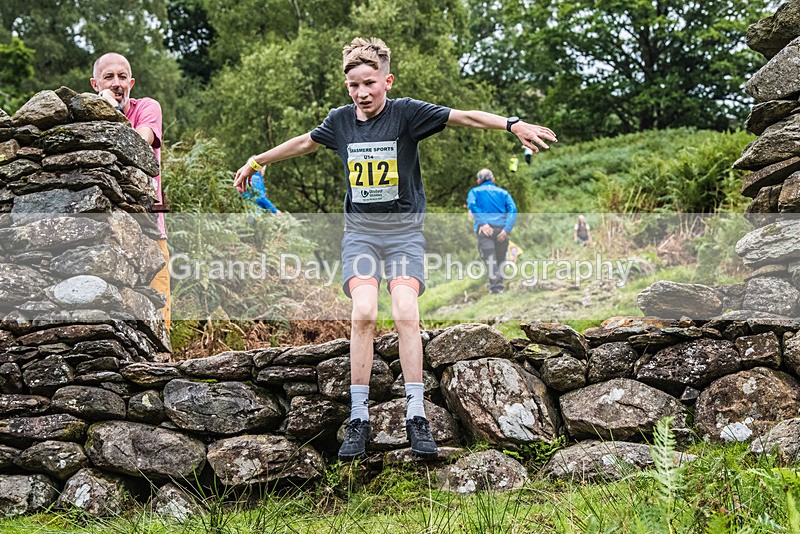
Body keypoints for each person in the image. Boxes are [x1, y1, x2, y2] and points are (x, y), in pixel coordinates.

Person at [233, 37, 556, 460]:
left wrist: (512, 124)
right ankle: (359, 418)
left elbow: (465, 117)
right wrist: (258, 161)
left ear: (386, 81)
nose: (362, 93)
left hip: (403, 234)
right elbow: (304, 143)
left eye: (369, 84)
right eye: (353, 86)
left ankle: (416, 414)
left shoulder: (406, 114)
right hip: (361, 235)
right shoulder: (341, 121)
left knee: (405, 312)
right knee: (364, 313)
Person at [90, 52, 170, 329]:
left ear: (131, 83)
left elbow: (140, 141)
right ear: (94, 84)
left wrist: (113, 113)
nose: (116, 83)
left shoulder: (147, 107)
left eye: (122, 77)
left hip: (150, 229)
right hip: (100, 230)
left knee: (158, 310)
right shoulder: (84, 117)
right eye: (108, 77)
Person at [467, 169, 518, 294]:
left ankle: (496, 289)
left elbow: (472, 206)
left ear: (478, 181)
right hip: (501, 230)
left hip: (484, 231)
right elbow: (513, 209)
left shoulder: (474, 192)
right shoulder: (504, 193)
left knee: (490, 259)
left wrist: (483, 223)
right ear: (493, 180)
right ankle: (499, 285)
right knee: (500, 259)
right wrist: (507, 229)